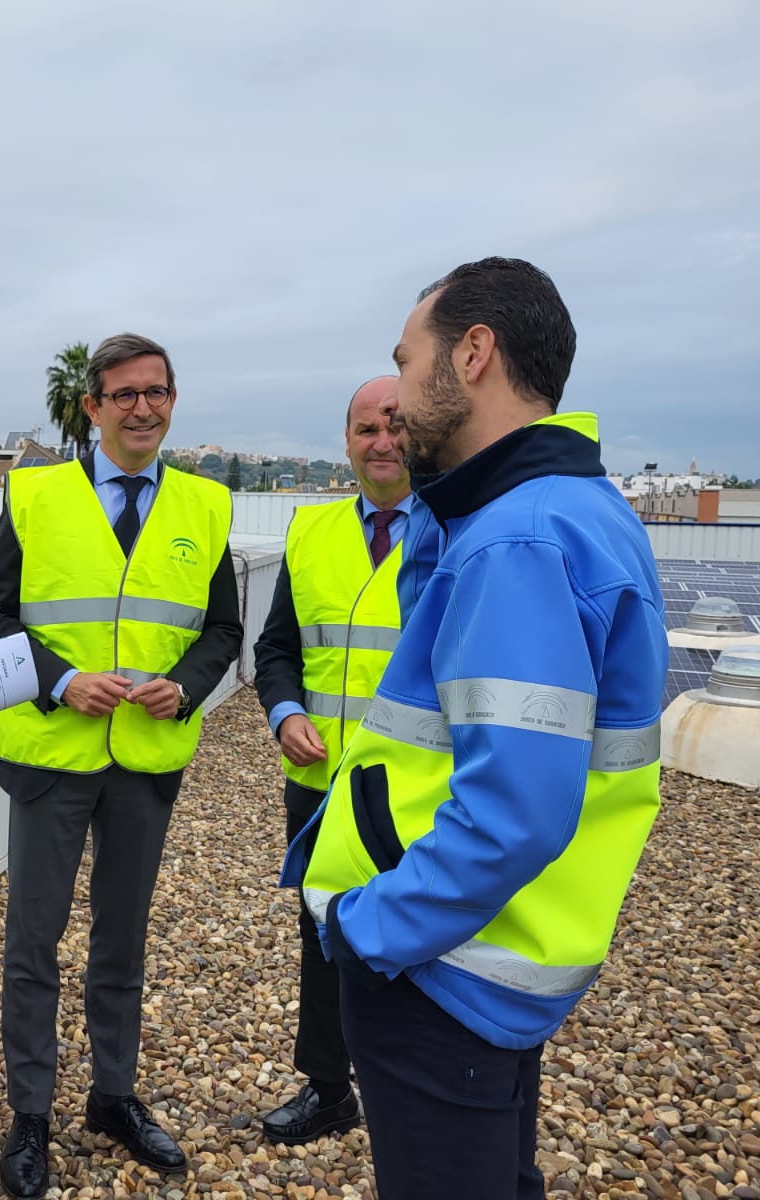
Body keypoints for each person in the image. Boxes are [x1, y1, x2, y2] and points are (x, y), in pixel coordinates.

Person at [285, 257, 668, 1199]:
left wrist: (374, 932)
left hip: (438, 964)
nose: (400, 399)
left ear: (475, 353)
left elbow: (513, 812)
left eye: (409, 362)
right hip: (500, 949)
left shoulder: (517, 540)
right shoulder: (570, 508)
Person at [0, 333, 243, 1196]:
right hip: (54, 756)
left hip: (145, 762)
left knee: (122, 944)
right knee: (34, 944)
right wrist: (59, 680)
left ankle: (113, 1097)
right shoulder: (36, 494)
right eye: (123, 395)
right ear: (92, 408)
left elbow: (222, 633)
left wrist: (186, 688)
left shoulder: (206, 505)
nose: (143, 408)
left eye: (157, 392)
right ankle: (31, 1115)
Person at [253, 375, 410, 1144]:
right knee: (323, 936)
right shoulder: (311, 532)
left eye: (395, 424)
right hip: (318, 783)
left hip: (414, 790)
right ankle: (328, 1087)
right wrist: (283, 713)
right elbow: (277, 648)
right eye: (365, 429)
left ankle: (412, 1090)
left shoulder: (455, 530)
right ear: (346, 442)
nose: (381, 441)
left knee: (418, 939)